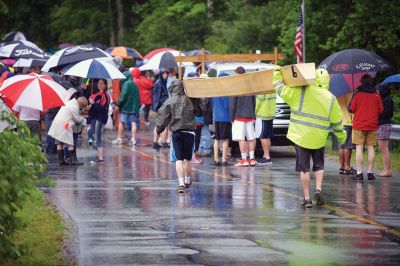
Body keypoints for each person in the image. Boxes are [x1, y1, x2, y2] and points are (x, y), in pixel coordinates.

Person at [273, 67, 346, 208]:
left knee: (304, 169)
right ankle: (318, 189)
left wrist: (277, 74)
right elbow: (337, 122)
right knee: (319, 165)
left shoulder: (302, 91)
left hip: (301, 136)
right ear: (327, 81)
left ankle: (307, 199)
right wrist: (342, 138)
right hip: (319, 138)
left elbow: (281, 89)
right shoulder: (331, 98)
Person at [156, 80, 204, 193]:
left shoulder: (169, 101)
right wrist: (198, 98)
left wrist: (159, 129)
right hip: (190, 132)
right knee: (188, 158)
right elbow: (200, 112)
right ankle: (187, 180)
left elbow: (163, 117)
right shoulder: (191, 99)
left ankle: (181, 183)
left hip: (176, 132)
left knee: (178, 158)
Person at [348, 74, 383, 181]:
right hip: (372, 126)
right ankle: (370, 173)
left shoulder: (357, 94)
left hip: (359, 125)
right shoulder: (376, 95)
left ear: (361, 82)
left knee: (359, 148)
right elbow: (381, 110)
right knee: (371, 148)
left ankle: (359, 173)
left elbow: (351, 109)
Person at [48, 96, 88, 165]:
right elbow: (77, 119)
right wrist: (84, 120)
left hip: (57, 124)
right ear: (81, 105)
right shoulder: (75, 107)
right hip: (65, 125)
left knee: (59, 143)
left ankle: (61, 161)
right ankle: (73, 160)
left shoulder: (70, 102)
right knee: (70, 143)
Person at [230, 66, 257, 167]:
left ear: (237, 74)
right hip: (250, 115)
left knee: (241, 138)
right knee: (251, 138)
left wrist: (231, 117)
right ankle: (252, 158)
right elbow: (254, 102)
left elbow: (233, 104)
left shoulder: (235, 86)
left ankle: (244, 159)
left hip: (238, 116)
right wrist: (254, 115)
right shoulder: (250, 86)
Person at [112, 71, 140, 146]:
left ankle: (119, 138)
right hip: (134, 108)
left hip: (125, 107)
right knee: (133, 122)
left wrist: (118, 104)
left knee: (122, 122)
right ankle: (133, 139)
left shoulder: (126, 84)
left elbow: (123, 96)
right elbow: (138, 97)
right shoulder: (134, 84)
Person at [211, 72, 231, 166]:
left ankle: (216, 159)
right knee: (225, 139)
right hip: (225, 117)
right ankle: (223, 159)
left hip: (217, 117)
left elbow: (212, 103)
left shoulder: (215, 90)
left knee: (217, 139)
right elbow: (227, 105)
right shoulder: (225, 91)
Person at [87, 79, 110, 162]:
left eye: (102, 84)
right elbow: (94, 108)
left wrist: (93, 103)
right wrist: (90, 107)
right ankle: (99, 155)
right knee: (94, 134)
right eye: (99, 83)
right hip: (94, 118)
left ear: (105, 85)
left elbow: (102, 109)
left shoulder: (105, 96)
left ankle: (100, 157)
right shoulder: (97, 95)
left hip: (100, 118)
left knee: (98, 136)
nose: (100, 85)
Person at [376, 84, 394, 177]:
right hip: (382, 125)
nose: (377, 92)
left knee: (384, 149)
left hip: (384, 125)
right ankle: (385, 169)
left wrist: (378, 120)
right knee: (382, 149)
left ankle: (387, 170)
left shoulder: (387, 100)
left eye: (378, 90)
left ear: (383, 90)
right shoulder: (384, 99)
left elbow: (387, 113)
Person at [337, 93, 356, 175]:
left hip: (340, 122)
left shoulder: (337, 94)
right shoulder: (351, 93)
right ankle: (347, 166)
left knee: (341, 145)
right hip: (348, 122)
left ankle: (342, 167)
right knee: (348, 146)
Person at [255, 90, 276, 164]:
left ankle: (267, 157)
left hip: (262, 114)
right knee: (267, 136)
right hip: (269, 113)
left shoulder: (262, 87)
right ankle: (266, 155)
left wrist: (254, 112)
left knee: (263, 136)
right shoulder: (271, 86)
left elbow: (258, 100)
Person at [152, 69, 170, 149]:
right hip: (161, 107)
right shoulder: (159, 83)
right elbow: (156, 97)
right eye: (164, 73)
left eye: (166, 73)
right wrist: (155, 109)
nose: (165, 75)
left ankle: (158, 141)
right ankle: (161, 141)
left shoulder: (162, 82)